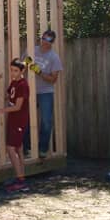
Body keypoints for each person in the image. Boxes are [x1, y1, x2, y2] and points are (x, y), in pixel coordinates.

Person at [0, 58, 31, 192]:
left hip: (19, 121)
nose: (13, 73)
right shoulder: (14, 83)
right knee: (18, 148)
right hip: (13, 120)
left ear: (22, 71)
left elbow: (17, 107)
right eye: (11, 70)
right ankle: (21, 178)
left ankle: (20, 180)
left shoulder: (23, 85)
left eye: (16, 71)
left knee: (11, 148)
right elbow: (6, 97)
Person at [28, 29, 63, 158]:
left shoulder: (54, 57)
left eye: (48, 40)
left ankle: (42, 149)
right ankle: (26, 147)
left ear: (52, 42)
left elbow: (53, 79)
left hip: (45, 92)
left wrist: (39, 72)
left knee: (46, 121)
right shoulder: (32, 50)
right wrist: (27, 64)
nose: (45, 42)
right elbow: (22, 64)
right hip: (30, 90)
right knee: (25, 119)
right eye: (43, 38)